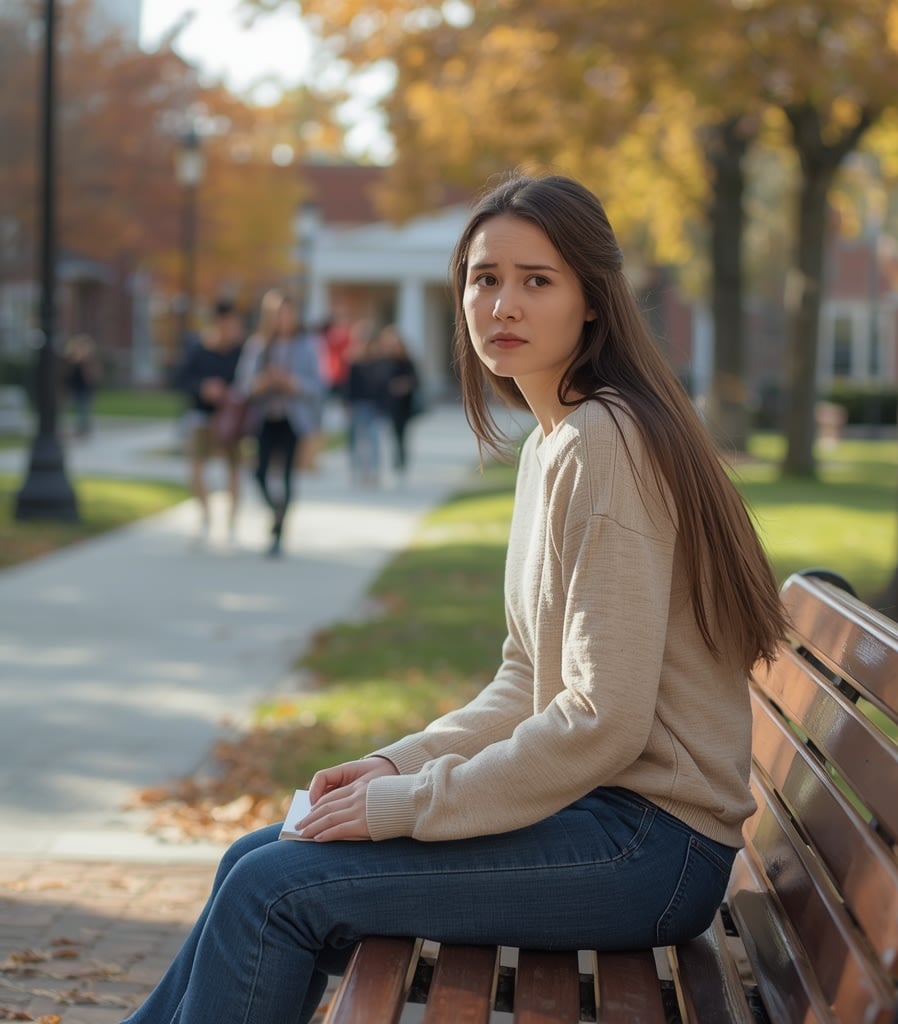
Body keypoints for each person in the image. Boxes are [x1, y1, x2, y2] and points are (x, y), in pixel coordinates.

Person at [120, 173, 787, 1024]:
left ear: (592, 301)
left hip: (650, 850)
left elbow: (601, 719)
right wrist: (395, 765)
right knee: (260, 856)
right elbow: (524, 678)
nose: (502, 303)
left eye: (536, 281)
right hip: (613, 823)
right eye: (484, 278)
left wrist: (408, 807)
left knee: (274, 893)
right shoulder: (556, 442)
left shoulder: (605, 443)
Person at [236, 289, 323, 557]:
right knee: (259, 472)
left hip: (293, 420)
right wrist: (262, 383)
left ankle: (279, 534)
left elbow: (319, 386)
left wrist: (291, 383)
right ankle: (276, 512)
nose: (284, 319)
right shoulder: (259, 346)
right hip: (265, 418)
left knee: (286, 475)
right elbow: (243, 386)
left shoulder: (306, 345)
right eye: (279, 314)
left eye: (289, 313)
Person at [174, 299, 245, 545]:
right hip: (201, 415)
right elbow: (181, 379)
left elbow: (247, 382)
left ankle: (232, 523)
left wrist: (229, 392)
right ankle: (205, 516)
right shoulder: (199, 349)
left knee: (234, 469)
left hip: (231, 418)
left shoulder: (242, 351)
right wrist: (203, 387)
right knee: (195, 467)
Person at [376, 323, 421, 476]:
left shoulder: (406, 361)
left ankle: (400, 462)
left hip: (403, 405)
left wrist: (404, 385)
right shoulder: (382, 360)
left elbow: (416, 380)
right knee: (386, 434)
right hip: (386, 404)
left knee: (400, 434)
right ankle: (387, 462)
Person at [344, 320, 384, 486]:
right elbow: (348, 386)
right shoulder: (354, 362)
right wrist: (347, 404)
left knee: (373, 440)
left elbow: (382, 386)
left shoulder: (378, 362)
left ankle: (373, 473)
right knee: (355, 440)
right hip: (358, 405)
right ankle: (357, 471)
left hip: (373, 406)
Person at [64, 333, 101, 438]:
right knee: (76, 409)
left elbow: (93, 375)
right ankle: (79, 429)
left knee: (83, 410)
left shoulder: (88, 360)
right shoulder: (72, 360)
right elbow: (68, 376)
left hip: (85, 389)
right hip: (75, 388)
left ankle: (84, 430)